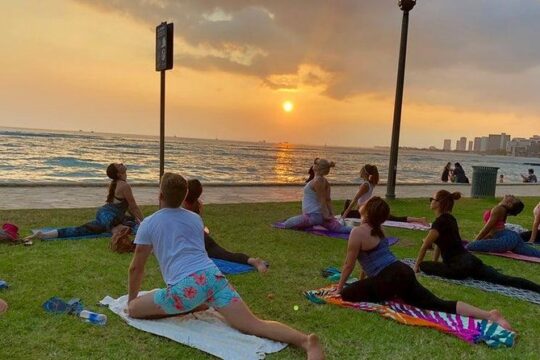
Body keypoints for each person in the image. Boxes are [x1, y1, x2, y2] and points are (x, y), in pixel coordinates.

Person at [127, 173, 324, 359]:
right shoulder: (195, 219)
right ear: (185, 196)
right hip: (214, 278)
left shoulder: (149, 223)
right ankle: (305, 341)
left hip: (186, 288)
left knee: (135, 309)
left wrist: (131, 300)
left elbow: (136, 267)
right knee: (254, 324)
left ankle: (193, 304)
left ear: (160, 195)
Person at [335, 196, 512, 330]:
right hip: (402, 271)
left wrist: (339, 288)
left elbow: (348, 265)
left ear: (367, 211)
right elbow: (369, 263)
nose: (361, 204)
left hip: (390, 277)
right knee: (438, 303)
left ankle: (387, 293)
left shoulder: (357, 232)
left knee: (347, 293)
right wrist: (363, 281)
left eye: (364, 204)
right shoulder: (380, 228)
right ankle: (489, 314)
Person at [414, 190, 540, 293]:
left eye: (433, 199)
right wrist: (436, 262)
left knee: (424, 265)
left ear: (440, 203)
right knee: (504, 279)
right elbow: (438, 243)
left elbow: (425, 245)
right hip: (472, 260)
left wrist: (417, 266)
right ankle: (537, 288)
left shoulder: (439, 222)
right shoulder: (451, 219)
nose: (430, 201)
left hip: (460, 265)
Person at [27, 163, 144, 240]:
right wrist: (144, 222)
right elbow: (133, 207)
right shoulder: (124, 185)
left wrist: (138, 220)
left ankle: (44, 235)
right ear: (119, 173)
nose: (121, 164)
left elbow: (128, 208)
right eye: (119, 165)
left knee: (81, 230)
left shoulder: (116, 184)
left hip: (105, 214)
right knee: (124, 230)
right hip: (109, 216)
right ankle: (116, 233)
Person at [183, 179, 268, 272]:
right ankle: (253, 260)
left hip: (201, 242)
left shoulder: (185, 208)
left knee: (226, 256)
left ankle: (254, 261)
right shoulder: (195, 205)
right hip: (204, 239)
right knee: (227, 255)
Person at [341, 164, 428, 226]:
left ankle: (420, 219)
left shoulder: (365, 185)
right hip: (365, 208)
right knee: (393, 218)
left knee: (394, 218)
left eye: (361, 170)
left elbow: (355, 199)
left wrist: (346, 212)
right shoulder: (370, 183)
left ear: (365, 173)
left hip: (366, 210)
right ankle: (419, 219)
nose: (359, 172)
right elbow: (360, 200)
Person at [283, 159, 351, 233]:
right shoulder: (324, 181)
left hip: (314, 216)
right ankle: (359, 230)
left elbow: (322, 199)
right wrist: (331, 215)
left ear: (318, 167)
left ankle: (311, 224)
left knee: (287, 224)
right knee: (340, 229)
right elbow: (328, 199)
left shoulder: (317, 181)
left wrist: (326, 216)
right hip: (318, 216)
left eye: (316, 163)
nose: (314, 164)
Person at [466, 195, 540, 257]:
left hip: (507, 238)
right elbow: (493, 230)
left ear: (509, 204)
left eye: (513, 198)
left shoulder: (498, 209)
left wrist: (476, 240)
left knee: (470, 246)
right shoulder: (502, 209)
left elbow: (487, 228)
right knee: (534, 253)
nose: (511, 195)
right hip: (511, 236)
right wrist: (485, 238)